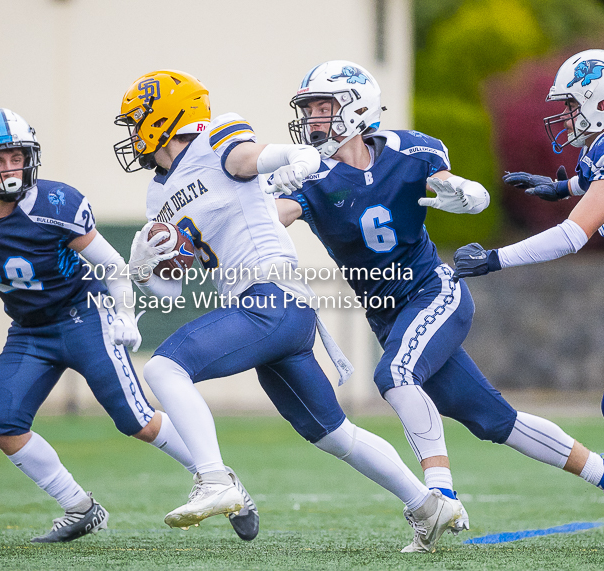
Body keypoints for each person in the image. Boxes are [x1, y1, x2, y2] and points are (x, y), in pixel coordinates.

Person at [273, 60, 604, 545]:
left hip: (434, 293)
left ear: (356, 107)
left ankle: (438, 495)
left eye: (322, 108)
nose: (313, 120)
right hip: (387, 316)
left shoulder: (410, 151)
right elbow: (265, 224)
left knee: (395, 376)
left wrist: (465, 196)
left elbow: (459, 190)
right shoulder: (308, 176)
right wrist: (250, 206)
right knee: (496, 421)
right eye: (308, 109)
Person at [114, 69, 463, 553]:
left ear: (163, 117)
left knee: (165, 368)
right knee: (334, 435)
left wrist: (294, 155)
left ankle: (215, 479)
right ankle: (428, 505)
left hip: (270, 298)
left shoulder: (216, 137)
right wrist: (144, 268)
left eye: (137, 121)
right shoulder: (158, 192)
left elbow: (248, 159)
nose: (132, 134)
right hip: (267, 311)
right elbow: (170, 288)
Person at [0, 108, 257, 544]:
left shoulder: (55, 206)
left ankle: (223, 483)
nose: (9, 168)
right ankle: (80, 508)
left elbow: (113, 266)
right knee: (2, 424)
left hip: (85, 315)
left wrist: (125, 315)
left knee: (138, 421)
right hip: (29, 329)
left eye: (16, 157)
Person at [454, 48, 604, 543]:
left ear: (601, 100)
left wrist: (497, 259)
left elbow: (573, 236)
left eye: (570, 104)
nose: (563, 116)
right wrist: (562, 186)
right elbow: (601, 182)